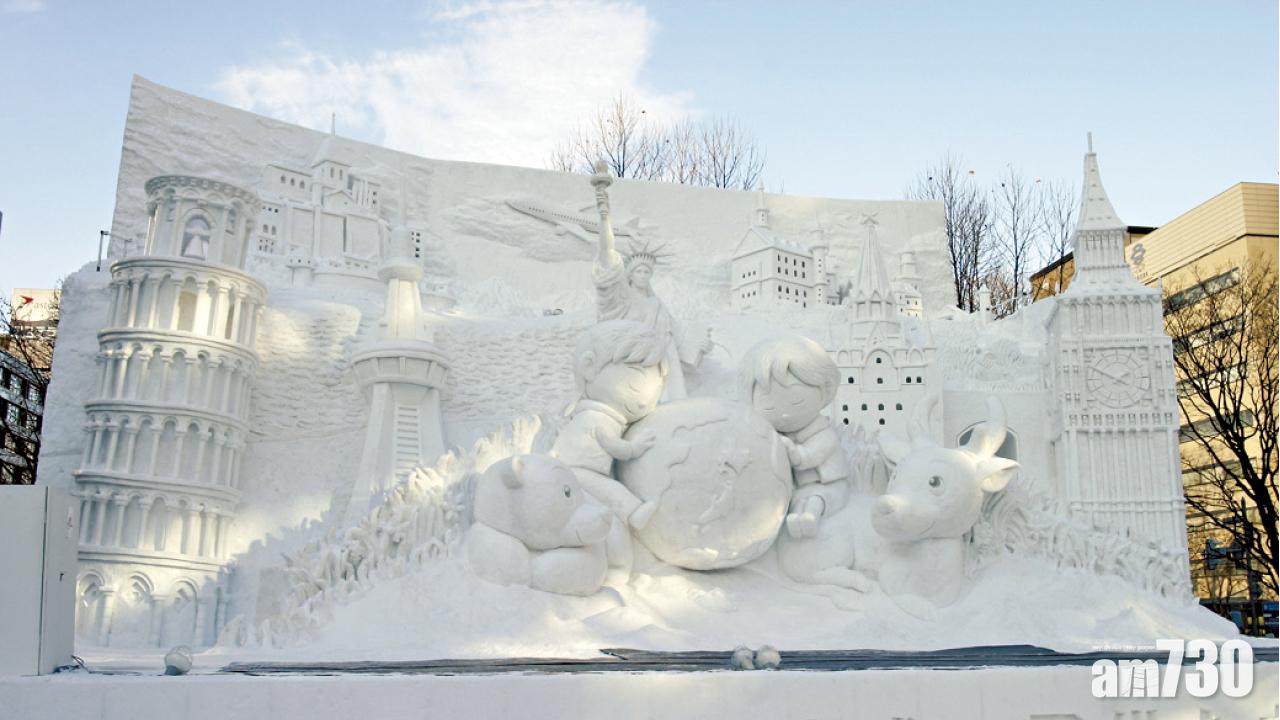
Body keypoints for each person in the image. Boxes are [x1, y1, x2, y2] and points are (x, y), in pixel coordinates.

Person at [590, 161, 711, 399]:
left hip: (663, 361)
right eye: (639, 272)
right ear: (630, 274)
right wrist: (604, 216)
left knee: (671, 379)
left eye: (647, 272)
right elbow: (607, 255)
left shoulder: (657, 304)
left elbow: (676, 332)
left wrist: (698, 345)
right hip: (636, 361)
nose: (643, 276)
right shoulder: (624, 297)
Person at [552, 319, 667, 530]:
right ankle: (634, 513)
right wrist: (635, 448)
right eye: (635, 384)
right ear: (589, 368)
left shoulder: (588, 415)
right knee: (611, 491)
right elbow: (612, 445)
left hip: (576, 472)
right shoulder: (596, 418)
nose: (645, 400)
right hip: (579, 473)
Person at [739, 335, 849, 539]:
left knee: (816, 499)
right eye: (769, 406)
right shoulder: (771, 435)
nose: (784, 414)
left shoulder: (823, 434)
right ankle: (798, 518)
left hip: (829, 487)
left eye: (797, 401)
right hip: (797, 492)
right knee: (798, 502)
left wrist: (794, 453)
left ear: (824, 390)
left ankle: (811, 517)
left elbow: (809, 457)